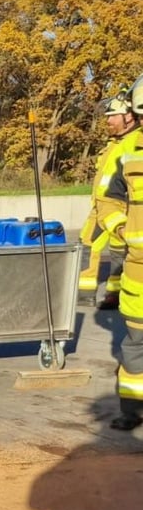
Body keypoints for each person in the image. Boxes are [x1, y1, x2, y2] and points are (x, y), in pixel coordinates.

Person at [96, 76, 143, 430]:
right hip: (138, 272)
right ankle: (133, 411)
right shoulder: (129, 153)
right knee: (135, 346)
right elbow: (108, 198)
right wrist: (121, 228)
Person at [79, 89, 136, 309]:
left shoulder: (132, 143)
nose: (108, 120)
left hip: (118, 207)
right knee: (105, 249)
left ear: (129, 116)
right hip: (102, 206)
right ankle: (105, 293)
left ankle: (100, 293)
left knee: (103, 248)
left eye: (113, 116)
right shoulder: (114, 143)